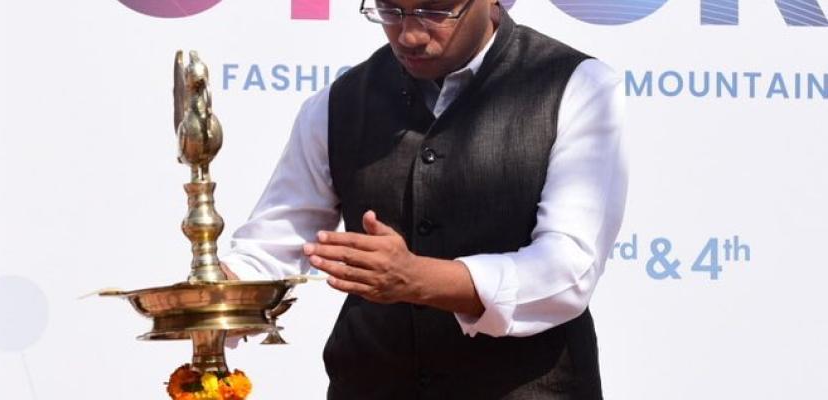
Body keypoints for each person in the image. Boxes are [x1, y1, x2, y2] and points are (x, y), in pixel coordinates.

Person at [219, 0, 627, 398]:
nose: (410, 35)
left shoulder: (576, 86)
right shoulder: (336, 103)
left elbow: (567, 270)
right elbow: (273, 246)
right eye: (390, 10)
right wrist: (219, 289)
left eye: (435, 10)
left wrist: (417, 278)